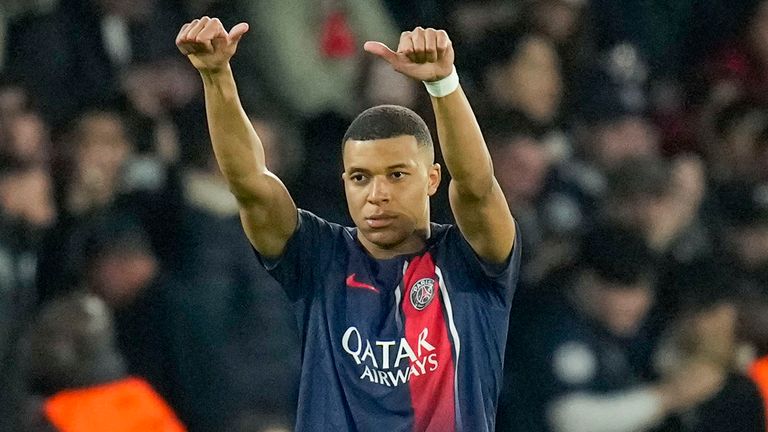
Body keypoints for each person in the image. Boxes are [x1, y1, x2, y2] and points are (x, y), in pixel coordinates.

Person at [175, 16, 520, 431]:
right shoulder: (321, 257)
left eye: (397, 174)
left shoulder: (471, 263)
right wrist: (215, 75)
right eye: (360, 177)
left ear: (431, 178)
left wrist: (443, 85)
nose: (377, 194)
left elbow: (477, 186)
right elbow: (250, 184)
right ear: (344, 183)